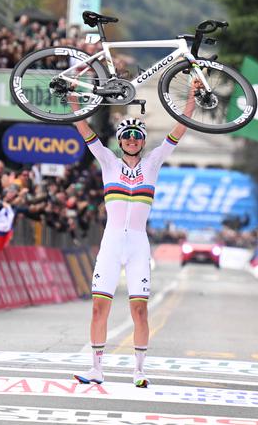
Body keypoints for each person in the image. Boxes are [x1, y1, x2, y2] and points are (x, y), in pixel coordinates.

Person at [71, 115, 187, 388]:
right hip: (111, 244)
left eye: (137, 135)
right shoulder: (108, 162)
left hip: (137, 245)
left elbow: (178, 131)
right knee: (99, 308)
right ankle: (96, 368)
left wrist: (191, 100)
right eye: (127, 136)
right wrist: (75, 107)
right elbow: (85, 131)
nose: (132, 139)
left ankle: (139, 371)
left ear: (143, 141)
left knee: (140, 311)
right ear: (120, 141)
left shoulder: (153, 163)